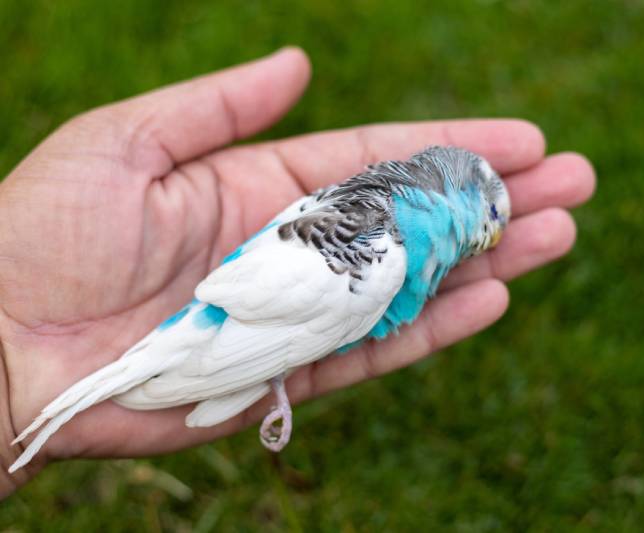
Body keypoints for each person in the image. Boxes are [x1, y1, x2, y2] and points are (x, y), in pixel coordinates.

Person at [0, 47, 595, 497]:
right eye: (492, 216)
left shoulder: (379, 211)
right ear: (461, 194)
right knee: (135, 372)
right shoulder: (383, 248)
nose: (490, 237)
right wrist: (261, 374)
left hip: (259, 302)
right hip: (237, 320)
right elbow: (288, 327)